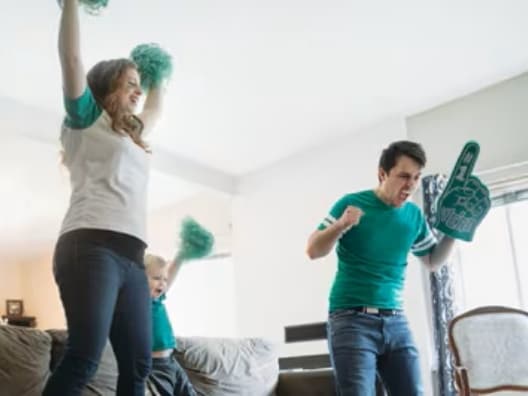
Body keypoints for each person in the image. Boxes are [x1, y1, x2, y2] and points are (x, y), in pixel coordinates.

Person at [43, 0, 166, 395]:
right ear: (106, 86)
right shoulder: (85, 120)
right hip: (89, 245)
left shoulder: (132, 134)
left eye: (139, 84)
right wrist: (71, 6)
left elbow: (155, 108)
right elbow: (72, 57)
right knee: (85, 356)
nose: (137, 90)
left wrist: (158, 75)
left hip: (132, 258)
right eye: (129, 82)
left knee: (139, 365)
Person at [306, 140, 456, 396]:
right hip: (351, 320)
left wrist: (454, 231)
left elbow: (432, 261)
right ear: (382, 174)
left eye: (417, 177)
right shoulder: (351, 203)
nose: (411, 185)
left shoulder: (413, 216)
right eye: (404, 176)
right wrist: (341, 225)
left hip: (396, 320)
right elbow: (313, 249)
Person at [144, 254, 197, 396]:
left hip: (171, 361)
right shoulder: (139, 301)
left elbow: (170, 274)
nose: (162, 283)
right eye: (156, 278)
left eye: (164, 280)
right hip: (154, 366)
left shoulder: (157, 299)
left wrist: (181, 256)